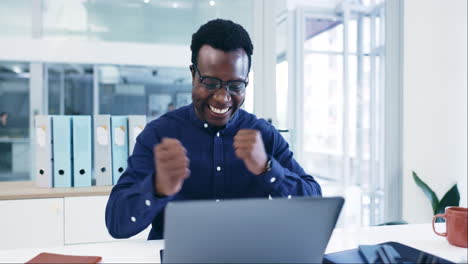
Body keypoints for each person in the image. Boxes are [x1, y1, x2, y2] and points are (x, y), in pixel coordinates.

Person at [105, 19, 322, 240]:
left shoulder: (263, 136)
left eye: (235, 85)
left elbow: (314, 208)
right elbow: (117, 224)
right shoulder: (158, 135)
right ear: (193, 75)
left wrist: (267, 168)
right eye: (209, 82)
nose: (222, 97)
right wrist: (157, 187)